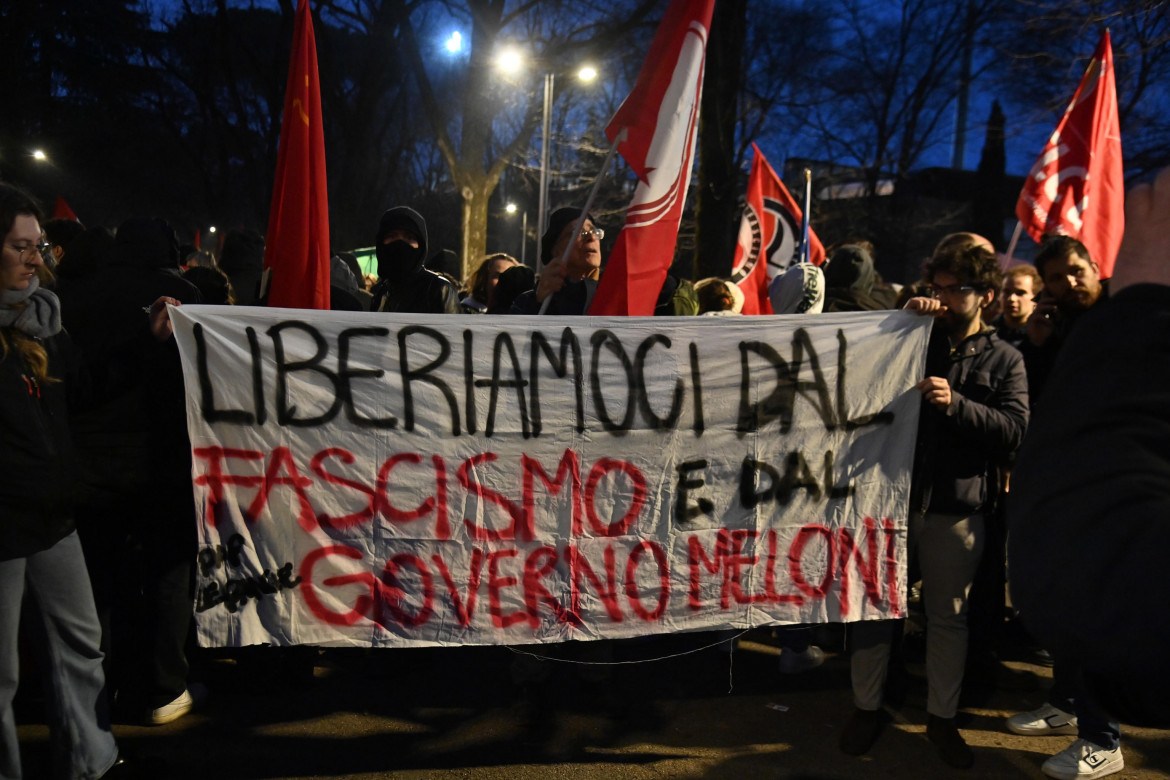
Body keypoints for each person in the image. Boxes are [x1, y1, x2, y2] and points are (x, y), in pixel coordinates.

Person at [0, 183, 168, 779]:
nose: (34, 258)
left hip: (54, 515)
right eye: (20, 246)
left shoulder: (43, 321)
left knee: (81, 647)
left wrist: (144, 347)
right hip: (4, 524)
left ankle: (91, 763)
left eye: (38, 245)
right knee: (3, 674)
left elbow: (83, 390)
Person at [840, 242, 1028, 769]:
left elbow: (1015, 430)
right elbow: (864, 379)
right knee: (875, 611)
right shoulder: (917, 339)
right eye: (938, 288)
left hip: (957, 511)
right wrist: (901, 322)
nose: (944, 299)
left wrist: (959, 405)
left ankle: (941, 719)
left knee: (948, 619)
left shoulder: (1005, 358)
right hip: (893, 504)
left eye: (956, 290)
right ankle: (865, 707)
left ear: (985, 295)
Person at [369, 206, 459, 314]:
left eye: (409, 238)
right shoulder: (381, 292)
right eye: (392, 236)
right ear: (380, 243)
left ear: (421, 245)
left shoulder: (439, 289)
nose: (400, 244)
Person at [994, 265, 1042, 351]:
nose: (1011, 298)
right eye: (1006, 292)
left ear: (1035, 298)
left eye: (1020, 293)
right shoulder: (987, 332)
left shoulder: (1040, 337)